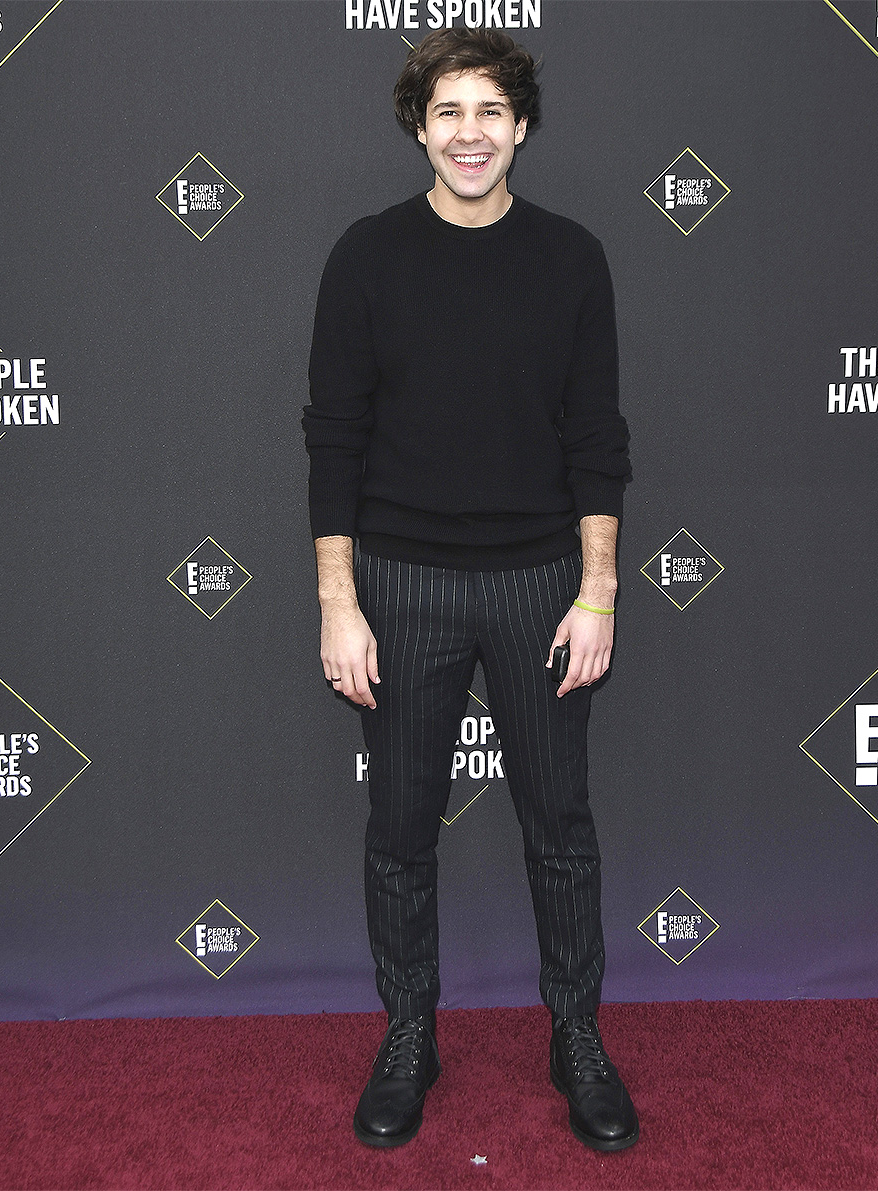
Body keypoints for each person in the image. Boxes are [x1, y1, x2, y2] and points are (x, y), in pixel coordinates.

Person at [302, 27, 637, 1152]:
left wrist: (597, 593)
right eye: (448, 112)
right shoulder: (364, 257)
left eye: (490, 111)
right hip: (398, 584)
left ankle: (577, 1036)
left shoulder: (572, 257)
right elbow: (333, 440)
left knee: (561, 829)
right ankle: (409, 1036)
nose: (470, 134)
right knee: (399, 831)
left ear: (522, 126)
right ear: (419, 127)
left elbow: (598, 436)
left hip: (542, 583)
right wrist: (337, 603)